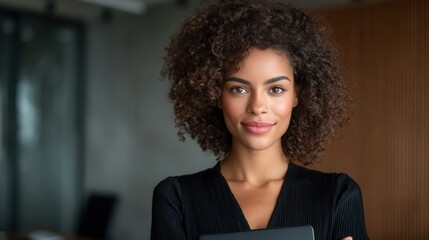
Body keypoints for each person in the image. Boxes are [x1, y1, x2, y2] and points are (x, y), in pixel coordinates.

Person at [151, 0, 369, 239]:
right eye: (239, 89)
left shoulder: (339, 195)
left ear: (297, 94)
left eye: (276, 89)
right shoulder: (176, 198)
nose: (257, 107)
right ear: (215, 94)